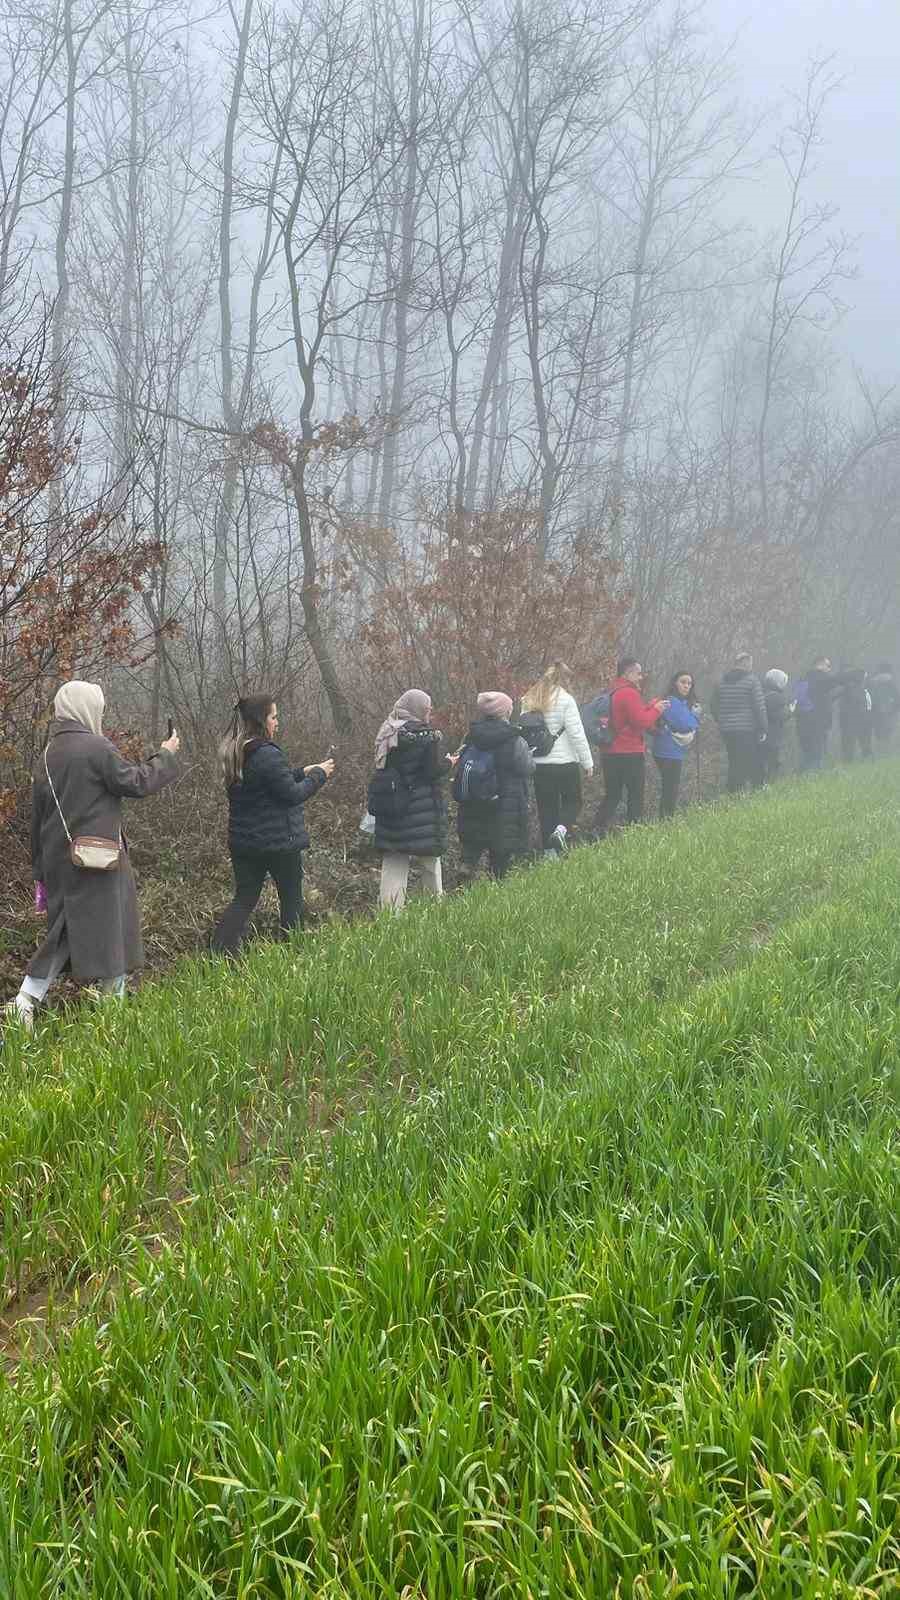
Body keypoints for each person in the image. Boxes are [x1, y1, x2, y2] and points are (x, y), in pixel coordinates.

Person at [5, 680, 180, 1032]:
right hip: (97, 860)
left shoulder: (47, 753)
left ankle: (25, 1002)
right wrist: (167, 754)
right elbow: (136, 782)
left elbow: (38, 817)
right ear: (87, 707)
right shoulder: (96, 747)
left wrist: (40, 871)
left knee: (67, 932)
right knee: (111, 927)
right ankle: (109, 1007)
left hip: (60, 860)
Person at [210, 695, 333, 954]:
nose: (277, 722)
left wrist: (303, 771)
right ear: (261, 720)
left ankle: (218, 953)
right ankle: (294, 955)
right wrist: (319, 776)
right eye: (273, 717)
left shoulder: (237, 750)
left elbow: (268, 782)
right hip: (278, 844)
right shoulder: (267, 753)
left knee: (244, 899)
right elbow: (292, 795)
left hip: (244, 844)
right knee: (291, 899)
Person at [372, 689, 452, 911]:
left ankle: (389, 915)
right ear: (417, 709)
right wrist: (448, 763)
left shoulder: (388, 731)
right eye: (427, 708)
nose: (429, 712)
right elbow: (430, 772)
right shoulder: (427, 736)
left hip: (391, 807)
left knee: (394, 862)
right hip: (420, 811)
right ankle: (434, 910)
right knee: (430, 860)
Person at [456, 691, 535, 879]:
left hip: (473, 804)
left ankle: (463, 883)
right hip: (504, 804)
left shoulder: (471, 735)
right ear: (505, 712)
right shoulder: (514, 738)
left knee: (471, 848)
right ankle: (495, 894)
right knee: (500, 858)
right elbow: (527, 767)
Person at [520, 661, 593, 856]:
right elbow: (576, 733)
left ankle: (550, 856)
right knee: (573, 802)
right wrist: (588, 762)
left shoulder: (529, 698)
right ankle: (561, 831)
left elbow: (524, 733)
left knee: (546, 809)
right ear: (563, 679)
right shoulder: (566, 699)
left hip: (540, 764)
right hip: (565, 763)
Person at [594, 659, 667, 832]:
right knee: (635, 794)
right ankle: (634, 832)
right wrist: (657, 710)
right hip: (629, 752)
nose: (641, 677)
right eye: (638, 673)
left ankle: (596, 829)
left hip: (609, 752)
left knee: (612, 795)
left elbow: (629, 716)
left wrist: (649, 706)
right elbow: (641, 722)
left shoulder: (612, 691)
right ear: (628, 673)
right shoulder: (629, 693)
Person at [710, 652, 767, 792]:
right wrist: (763, 728)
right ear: (746, 663)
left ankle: (733, 791)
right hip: (747, 728)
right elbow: (759, 706)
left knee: (733, 760)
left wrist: (721, 719)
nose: (751, 666)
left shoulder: (721, 681)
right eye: (750, 663)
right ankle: (748, 790)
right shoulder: (752, 680)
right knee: (749, 759)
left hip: (727, 730)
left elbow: (713, 704)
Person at [651, 670, 700, 819]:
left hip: (672, 750)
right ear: (675, 683)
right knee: (670, 788)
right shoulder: (671, 702)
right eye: (683, 682)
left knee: (670, 787)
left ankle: (666, 819)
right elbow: (684, 724)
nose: (686, 686)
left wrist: (692, 719)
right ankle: (666, 821)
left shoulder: (682, 703)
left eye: (689, 683)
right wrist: (695, 716)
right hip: (667, 751)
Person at [794, 657, 846, 772]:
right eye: (828, 666)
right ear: (820, 665)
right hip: (817, 723)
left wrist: (839, 693)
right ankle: (812, 780)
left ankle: (802, 778)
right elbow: (833, 681)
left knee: (807, 753)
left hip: (802, 721)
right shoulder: (819, 677)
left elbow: (817, 698)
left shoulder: (804, 678)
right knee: (817, 754)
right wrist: (848, 677)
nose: (829, 669)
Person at [838, 669, 874, 763]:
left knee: (861, 744)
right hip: (856, 722)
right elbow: (860, 707)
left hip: (860, 722)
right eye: (865, 677)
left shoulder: (861, 689)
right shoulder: (853, 690)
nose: (866, 679)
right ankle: (852, 762)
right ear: (860, 678)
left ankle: (863, 762)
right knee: (853, 745)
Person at [762, 669, 791, 781]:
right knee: (773, 762)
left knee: (763, 762)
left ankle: (762, 784)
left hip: (761, 733)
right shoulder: (777, 697)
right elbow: (780, 716)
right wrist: (790, 711)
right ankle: (770, 785)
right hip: (773, 734)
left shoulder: (762, 692)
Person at [868, 662, 899, 748]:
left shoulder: (873, 684)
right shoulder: (891, 684)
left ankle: (881, 749)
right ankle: (885, 749)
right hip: (886, 713)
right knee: (886, 733)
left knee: (879, 733)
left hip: (878, 713)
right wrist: (893, 710)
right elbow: (897, 699)